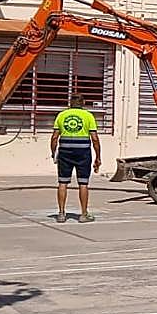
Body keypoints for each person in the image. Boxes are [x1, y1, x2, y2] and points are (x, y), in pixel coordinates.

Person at [50, 94, 101, 223]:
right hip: (83, 153)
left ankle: (61, 214)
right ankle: (83, 214)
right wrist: (98, 157)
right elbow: (94, 138)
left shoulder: (61, 115)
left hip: (65, 152)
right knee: (83, 183)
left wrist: (53, 152)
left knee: (62, 182)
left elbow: (55, 137)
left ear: (70, 103)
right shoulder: (88, 116)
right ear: (82, 103)